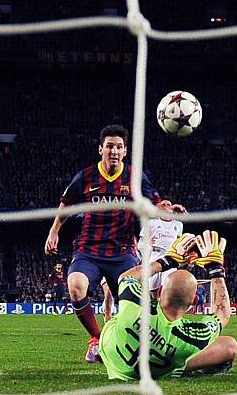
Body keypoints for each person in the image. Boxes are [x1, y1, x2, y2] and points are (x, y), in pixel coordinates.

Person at [44, 124, 183, 363]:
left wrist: (168, 210)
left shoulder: (134, 176)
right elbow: (66, 203)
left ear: (125, 150)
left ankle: (138, 344)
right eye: (109, 146)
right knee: (75, 285)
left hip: (122, 252)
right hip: (89, 249)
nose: (114, 151)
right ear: (101, 149)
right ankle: (98, 340)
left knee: (134, 305)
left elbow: (155, 202)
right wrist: (54, 231)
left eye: (119, 146)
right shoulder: (86, 176)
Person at [99, 230, 237, 380]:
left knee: (122, 315)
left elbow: (126, 277)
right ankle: (180, 369)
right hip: (156, 371)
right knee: (230, 346)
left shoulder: (136, 303)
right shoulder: (193, 336)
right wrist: (216, 270)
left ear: (159, 291)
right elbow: (222, 315)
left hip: (110, 356)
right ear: (194, 301)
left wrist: (168, 260)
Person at [136, 199, 186, 297]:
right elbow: (140, 244)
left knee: (168, 285)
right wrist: (147, 242)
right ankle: (154, 304)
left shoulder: (178, 224)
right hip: (154, 257)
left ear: (172, 208)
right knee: (152, 288)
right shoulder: (150, 223)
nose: (166, 206)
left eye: (168, 204)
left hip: (170, 258)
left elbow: (180, 241)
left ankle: (163, 307)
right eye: (163, 204)